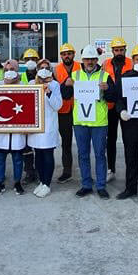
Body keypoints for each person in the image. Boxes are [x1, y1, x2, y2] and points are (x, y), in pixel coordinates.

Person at [105, 44, 138, 204]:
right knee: (131, 157)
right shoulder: (125, 77)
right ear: (133, 60)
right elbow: (119, 99)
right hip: (131, 124)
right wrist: (121, 111)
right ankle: (130, 188)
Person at [69, 45, 112, 198]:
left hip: (99, 122)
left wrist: (108, 89)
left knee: (100, 154)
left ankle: (101, 186)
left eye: (93, 59)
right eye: (87, 59)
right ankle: (86, 184)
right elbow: (65, 94)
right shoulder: (75, 75)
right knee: (83, 154)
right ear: (83, 60)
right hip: (80, 121)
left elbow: (114, 96)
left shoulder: (105, 75)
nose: (90, 62)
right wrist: (66, 85)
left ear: (96, 60)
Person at [27, 58, 64, 197]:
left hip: (49, 125)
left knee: (48, 154)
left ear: (50, 70)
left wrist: (48, 92)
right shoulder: (31, 84)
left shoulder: (55, 85)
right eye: (41, 67)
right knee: (38, 155)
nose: (43, 70)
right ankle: (41, 181)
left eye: (46, 67)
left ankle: (47, 184)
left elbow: (57, 105)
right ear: (36, 70)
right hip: (35, 126)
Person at [0, 62, 28, 195]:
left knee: (18, 159)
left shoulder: (24, 86)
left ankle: (17, 183)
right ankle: (0, 183)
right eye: (6, 69)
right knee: (0, 159)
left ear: (18, 71)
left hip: (18, 133)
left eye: (12, 69)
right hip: (1, 133)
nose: (9, 71)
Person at [101, 38, 132, 183]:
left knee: (128, 140)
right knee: (110, 140)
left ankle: (130, 170)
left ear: (125, 50)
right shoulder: (105, 64)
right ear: (112, 51)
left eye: (121, 50)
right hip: (111, 105)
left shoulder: (131, 63)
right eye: (116, 50)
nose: (119, 52)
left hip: (127, 105)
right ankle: (111, 169)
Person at [52, 43, 80, 183]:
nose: (66, 56)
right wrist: (65, 85)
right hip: (63, 111)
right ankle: (67, 170)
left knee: (83, 142)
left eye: (69, 53)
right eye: (64, 54)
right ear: (61, 56)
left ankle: (84, 170)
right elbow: (55, 90)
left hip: (80, 110)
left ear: (73, 54)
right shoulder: (56, 70)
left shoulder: (80, 66)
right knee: (66, 142)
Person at [17, 48, 41, 184]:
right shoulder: (21, 77)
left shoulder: (42, 75)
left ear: (37, 61)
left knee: (39, 146)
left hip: (39, 115)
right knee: (26, 147)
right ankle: (29, 172)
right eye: (27, 60)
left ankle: (39, 171)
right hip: (25, 115)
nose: (30, 62)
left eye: (33, 59)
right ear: (24, 62)